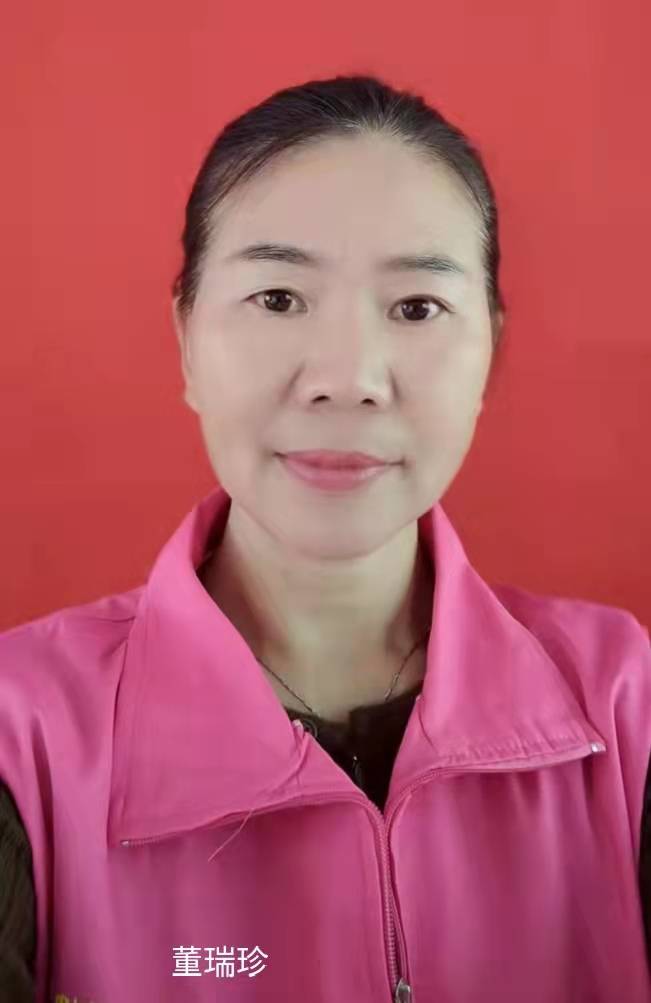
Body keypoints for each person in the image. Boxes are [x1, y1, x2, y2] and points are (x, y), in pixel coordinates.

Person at [0, 73, 649, 1003]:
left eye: (416, 307)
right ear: (186, 339)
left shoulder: (625, 707)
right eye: (277, 297)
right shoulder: (20, 737)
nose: (347, 379)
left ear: (490, 352)